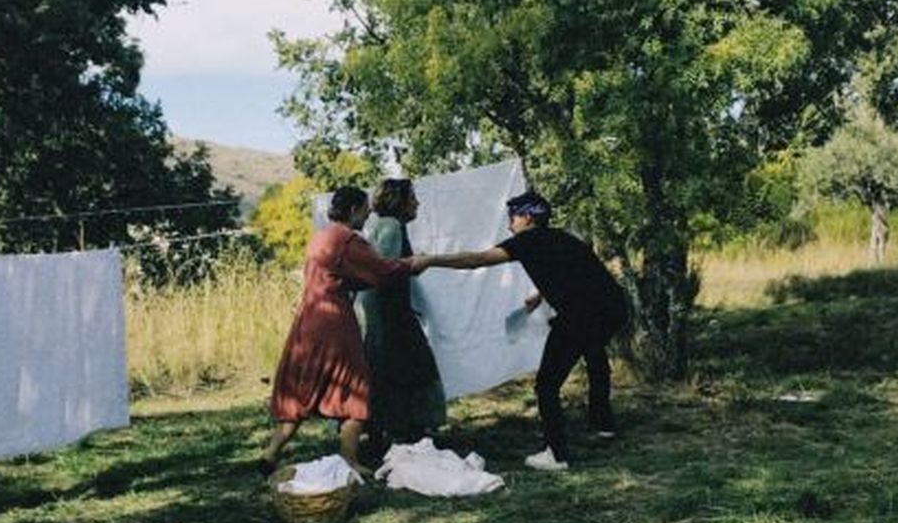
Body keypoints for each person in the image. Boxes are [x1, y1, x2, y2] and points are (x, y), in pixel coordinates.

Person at [421, 190, 627, 471]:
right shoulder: (563, 237)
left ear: (528, 217)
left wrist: (430, 260)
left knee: (546, 385)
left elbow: (477, 260)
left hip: (581, 317)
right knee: (595, 355)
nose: (509, 224)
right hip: (613, 310)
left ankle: (556, 454)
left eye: (513, 217)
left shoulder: (526, 241)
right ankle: (603, 424)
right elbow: (574, 272)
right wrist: (541, 295)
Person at [264, 186, 426, 476]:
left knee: (304, 386)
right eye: (364, 209)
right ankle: (349, 459)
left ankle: (271, 452)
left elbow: (345, 277)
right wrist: (413, 264)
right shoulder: (348, 240)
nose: (368, 214)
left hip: (308, 317)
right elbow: (381, 271)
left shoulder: (321, 238)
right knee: (355, 387)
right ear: (352, 210)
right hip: (333, 321)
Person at [356, 178, 447, 458]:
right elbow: (385, 271)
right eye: (413, 198)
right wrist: (411, 264)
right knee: (410, 369)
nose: (417, 203)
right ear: (400, 201)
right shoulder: (392, 226)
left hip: (386, 313)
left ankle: (387, 433)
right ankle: (405, 434)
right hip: (390, 315)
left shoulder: (384, 226)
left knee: (388, 372)